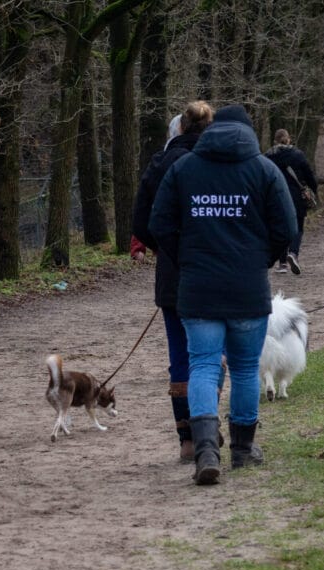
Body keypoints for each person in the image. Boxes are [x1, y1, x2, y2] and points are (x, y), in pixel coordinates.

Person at [149, 104, 296, 485]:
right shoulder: (265, 170)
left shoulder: (184, 169)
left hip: (198, 285)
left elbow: (159, 224)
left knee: (203, 365)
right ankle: (244, 450)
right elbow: (287, 227)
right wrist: (260, 259)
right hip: (247, 285)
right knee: (246, 368)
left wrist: (185, 259)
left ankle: (206, 451)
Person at [132, 100, 215, 462]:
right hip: (214, 271)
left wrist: (166, 250)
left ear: (179, 128)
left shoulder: (160, 163)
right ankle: (209, 430)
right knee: (212, 356)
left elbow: (141, 223)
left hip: (173, 275)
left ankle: (187, 438)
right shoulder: (220, 162)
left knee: (180, 357)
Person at [264, 128, 318, 275]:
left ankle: (282, 263)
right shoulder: (298, 155)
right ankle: (293, 253)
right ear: (289, 139)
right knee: (298, 227)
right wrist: (313, 190)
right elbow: (309, 176)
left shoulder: (268, 157)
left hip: (276, 198)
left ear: (275, 140)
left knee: (280, 228)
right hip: (295, 196)